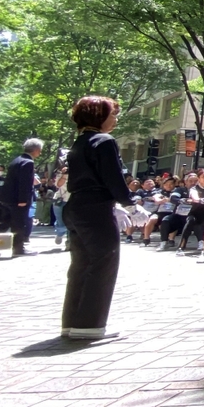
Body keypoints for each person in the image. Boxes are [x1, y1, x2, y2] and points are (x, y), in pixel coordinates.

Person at [61, 97, 134, 340]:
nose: (115, 119)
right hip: (96, 208)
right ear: (98, 115)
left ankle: (71, 323)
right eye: (112, 114)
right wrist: (129, 204)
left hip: (76, 207)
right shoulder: (104, 141)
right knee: (104, 264)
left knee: (80, 266)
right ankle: (90, 325)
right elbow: (113, 177)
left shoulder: (79, 142)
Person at [0, 138, 41, 256]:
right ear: (36, 150)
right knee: (19, 224)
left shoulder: (16, 160)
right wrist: (23, 200)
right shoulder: (28, 162)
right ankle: (18, 249)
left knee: (5, 223)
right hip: (18, 200)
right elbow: (24, 183)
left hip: (8, 198)